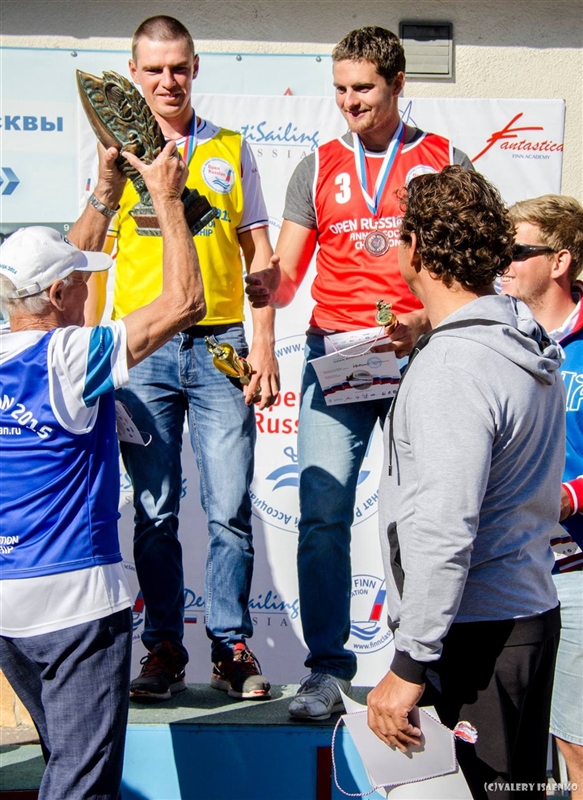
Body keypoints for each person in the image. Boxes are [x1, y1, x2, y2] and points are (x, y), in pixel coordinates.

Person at [245, 25, 472, 720]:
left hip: (417, 353)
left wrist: (423, 323)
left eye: (364, 88)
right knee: (321, 515)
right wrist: (264, 283)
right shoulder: (316, 165)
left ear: (398, 84)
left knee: (421, 516)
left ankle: (421, 666)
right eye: (341, 89)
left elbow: (468, 278)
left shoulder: (442, 161)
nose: (350, 101)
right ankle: (326, 670)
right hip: (336, 357)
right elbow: (286, 278)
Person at [0, 142, 205, 800]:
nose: (91, 290)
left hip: (8, 607)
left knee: (63, 761)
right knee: (80, 785)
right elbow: (184, 302)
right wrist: (166, 198)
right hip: (75, 603)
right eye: (79, 284)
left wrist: (105, 193)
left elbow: (66, 275)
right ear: (58, 294)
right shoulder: (70, 357)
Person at [88, 15, 279, 702]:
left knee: (229, 507)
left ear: (195, 67)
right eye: (153, 69)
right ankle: (164, 647)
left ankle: (229, 646)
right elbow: (90, 256)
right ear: (133, 74)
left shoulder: (230, 147)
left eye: (178, 67)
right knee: (156, 509)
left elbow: (261, 256)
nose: (167, 81)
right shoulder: (114, 156)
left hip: (223, 344)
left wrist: (264, 341)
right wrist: (91, 352)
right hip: (143, 349)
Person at [366, 166, 563, 800]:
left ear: (416, 250)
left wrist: (409, 664)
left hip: (474, 636)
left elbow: (444, 525)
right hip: (523, 616)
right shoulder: (518, 340)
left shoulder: (454, 365)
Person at [500, 195, 583, 800]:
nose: (502, 262)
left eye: (516, 250)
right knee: (512, 752)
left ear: (559, 261)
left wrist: (570, 498)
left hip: (576, 567)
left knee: (576, 748)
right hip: (507, 572)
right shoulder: (497, 336)